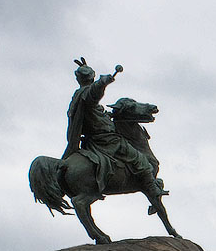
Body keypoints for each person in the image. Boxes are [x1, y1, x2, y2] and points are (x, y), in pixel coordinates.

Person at [64, 58, 167, 200]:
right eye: (92, 77)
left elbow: (94, 109)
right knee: (141, 161)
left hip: (95, 139)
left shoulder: (77, 95)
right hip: (107, 140)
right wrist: (102, 82)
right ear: (92, 78)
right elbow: (93, 94)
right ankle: (153, 190)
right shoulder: (87, 94)